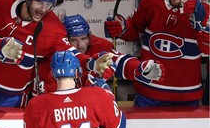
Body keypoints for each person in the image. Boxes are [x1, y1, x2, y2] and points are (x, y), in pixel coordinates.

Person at [104, 0, 209, 107]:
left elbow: (206, 49)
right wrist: (122, 28)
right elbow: (134, 28)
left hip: (186, 95)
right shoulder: (152, 0)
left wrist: (202, 25)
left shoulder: (202, 10)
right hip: (149, 92)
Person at [23, 50, 126, 128]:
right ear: (77, 72)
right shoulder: (97, 95)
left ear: (52, 74)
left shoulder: (37, 105)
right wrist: (108, 93)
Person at [32, 14, 164, 95]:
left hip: (86, 109)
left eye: (84, 38)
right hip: (57, 107)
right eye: (74, 40)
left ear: (89, 36)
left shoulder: (98, 45)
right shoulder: (56, 50)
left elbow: (118, 60)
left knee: (96, 85)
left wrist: (139, 69)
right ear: (66, 39)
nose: (81, 45)